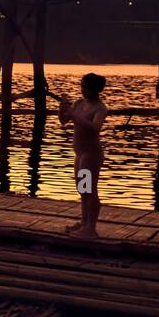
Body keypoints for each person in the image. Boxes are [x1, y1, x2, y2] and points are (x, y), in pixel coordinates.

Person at [58, 73, 108, 238]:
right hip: (79, 153)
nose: (83, 90)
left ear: (95, 89)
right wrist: (63, 110)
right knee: (82, 189)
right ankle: (84, 222)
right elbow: (64, 121)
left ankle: (91, 228)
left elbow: (95, 128)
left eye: (86, 87)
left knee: (90, 190)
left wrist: (73, 115)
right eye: (82, 86)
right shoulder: (79, 104)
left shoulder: (100, 108)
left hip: (91, 154)